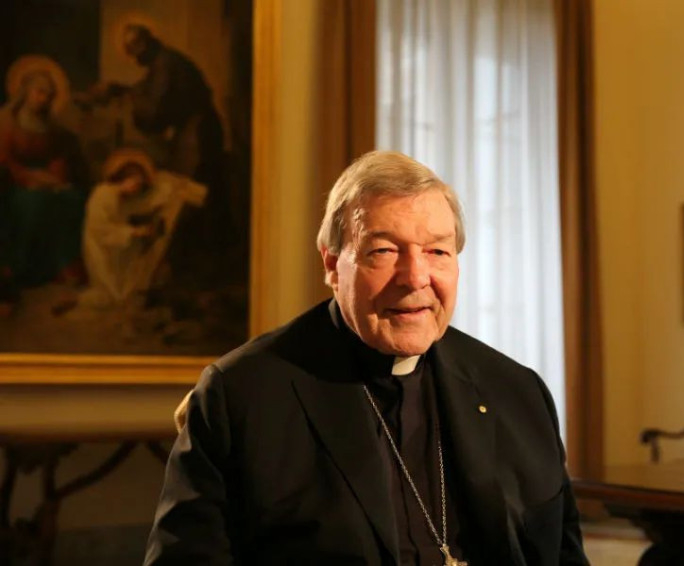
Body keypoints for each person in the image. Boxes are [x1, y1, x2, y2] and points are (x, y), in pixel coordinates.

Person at [144, 151, 589, 565]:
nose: (415, 277)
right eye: (384, 251)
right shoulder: (242, 394)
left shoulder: (517, 391)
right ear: (332, 264)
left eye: (437, 251)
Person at [73, 148, 206, 313]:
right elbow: (101, 230)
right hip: (102, 250)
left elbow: (143, 205)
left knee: (138, 261)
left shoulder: (121, 197)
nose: (137, 186)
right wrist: (134, 232)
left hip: (114, 246)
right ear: (122, 177)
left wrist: (174, 189)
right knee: (113, 294)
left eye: (140, 183)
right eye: (134, 181)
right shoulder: (104, 193)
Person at [0, 58, 88, 297]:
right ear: (25, 91)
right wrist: (30, 178)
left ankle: (62, 266)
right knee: (34, 203)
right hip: (14, 185)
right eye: (40, 92)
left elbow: (57, 158)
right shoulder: (6, 120)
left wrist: (56, 181)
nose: (44, 99)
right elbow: (5, 161)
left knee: (73, 198)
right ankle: (20, 269)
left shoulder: (51, 126)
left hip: (44, 182)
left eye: (49, 95)